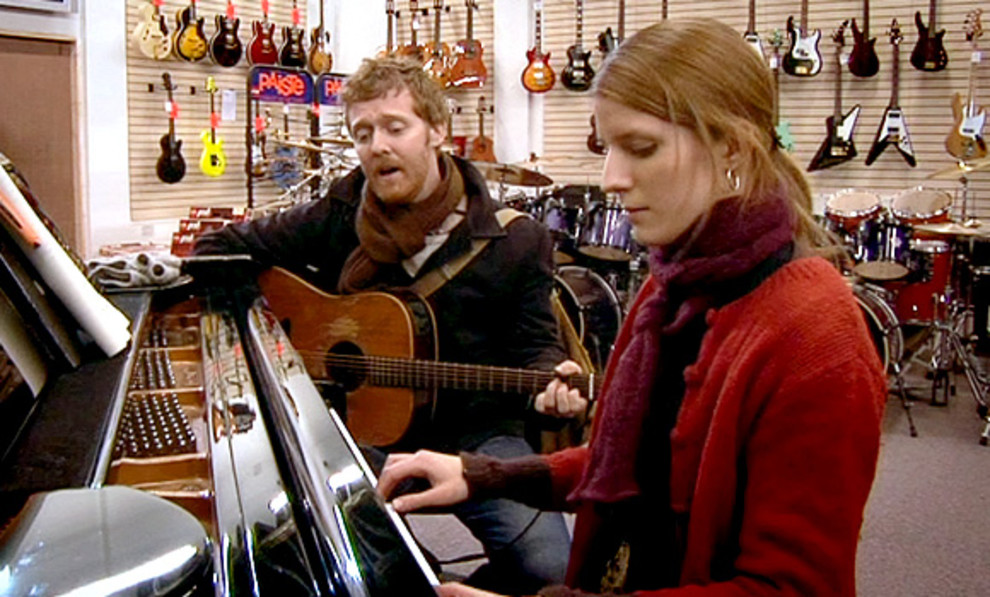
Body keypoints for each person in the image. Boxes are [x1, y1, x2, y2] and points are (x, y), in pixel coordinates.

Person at [377, 18, 888, 597]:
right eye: (607, 146)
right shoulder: (673, 283)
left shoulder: (817, 335)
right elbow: (636, 463)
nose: (610, 178)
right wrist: (484, 475)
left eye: (640, 148)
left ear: (732, 146)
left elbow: (792, 587)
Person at [192, 56, 571, 594]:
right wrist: (282, 330)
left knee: (550, 570)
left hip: (480, 438)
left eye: (395, 128)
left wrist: (555, 382)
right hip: (363, 438)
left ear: (437, 131)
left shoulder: (516, 239)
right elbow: (221, 248)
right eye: (363, 133)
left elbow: (537, 347)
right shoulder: (341, 211)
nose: (377, 146)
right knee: (343, 559)